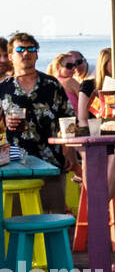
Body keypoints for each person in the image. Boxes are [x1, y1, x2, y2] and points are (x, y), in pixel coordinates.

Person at [0, 32, 74, 211]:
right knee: (19, 221)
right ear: (11, 56)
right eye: (20, 49)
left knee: (54, 217)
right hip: (16, 164)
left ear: (37, 54)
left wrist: (70, 152)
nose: (26, 53)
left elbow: (68, 119)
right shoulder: (3, 88)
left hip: (51, 160)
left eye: (31, 49)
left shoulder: (52, 84)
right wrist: (5, 123)